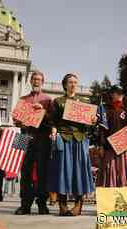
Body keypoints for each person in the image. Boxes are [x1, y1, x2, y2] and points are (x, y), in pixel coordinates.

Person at [48, 73, 96, 216]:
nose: (73, 84)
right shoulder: (58, 101)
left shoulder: (83, 102)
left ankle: (78, 204)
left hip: (80, 139)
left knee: (79, 171)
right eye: (70, 82)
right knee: (62, 171)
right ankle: (62, 204)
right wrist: (54, 130)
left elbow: (88, 124)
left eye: (75, 82)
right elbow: (52, 120)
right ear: (65, 84)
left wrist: (92, 121)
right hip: (63, 137)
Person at [14, 71, 52, 215]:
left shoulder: (48, 100)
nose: (36, 81)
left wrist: (43, 111)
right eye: (34, 79)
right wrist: (18, 122)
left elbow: (52, 120)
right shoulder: (22, 99)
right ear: (30, 81)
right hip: (24, 137)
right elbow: (17, 122)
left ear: (42, 82)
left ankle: (42, 204)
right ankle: (25, 205)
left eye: (39, 79)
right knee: (24, 172)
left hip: (42, 138)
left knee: (43, 171)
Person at [96, 85, 127, 187]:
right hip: (109, 148)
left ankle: (126, 196)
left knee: (125, 172)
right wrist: (101, 146)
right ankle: (109, 197)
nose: (120, 95)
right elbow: (101, 130)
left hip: (124, 149)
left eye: (122, 93)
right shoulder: (105, 110)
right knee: (109, 171)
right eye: (117, 92)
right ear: (112, 94)